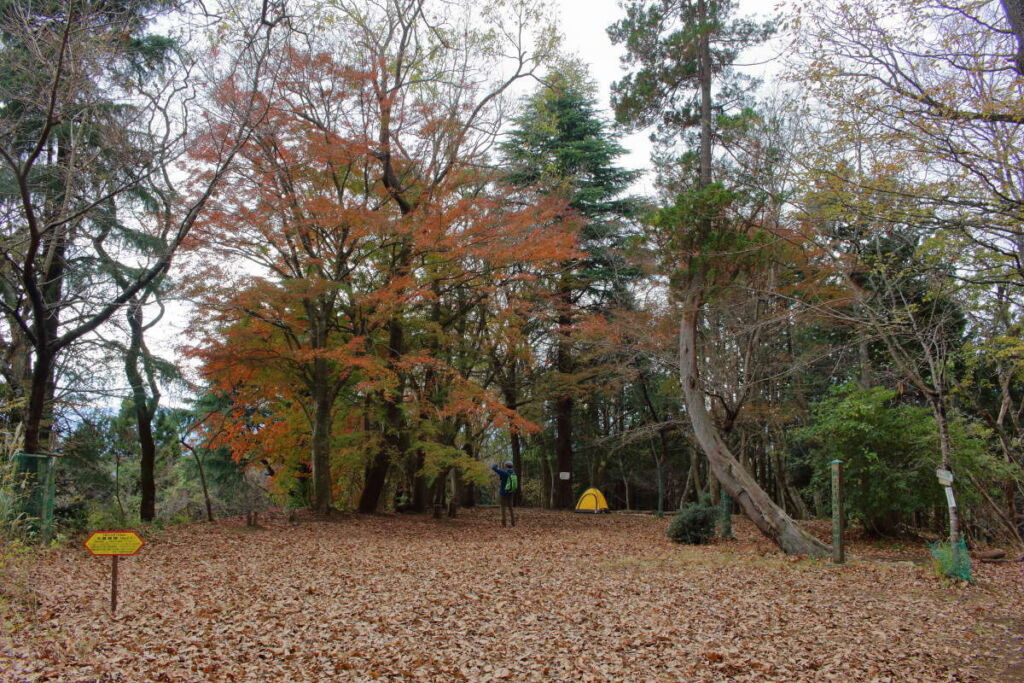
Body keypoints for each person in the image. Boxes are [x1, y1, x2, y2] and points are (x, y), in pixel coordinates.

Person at [491, 461, 516, 527]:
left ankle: (504, 523)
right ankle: (513, 523)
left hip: (503, 493)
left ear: (506, 466)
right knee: (511, 508)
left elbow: (493, 468)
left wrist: (496, 465)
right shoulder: (514, 473)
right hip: (511, 493)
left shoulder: (504, 472)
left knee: (503, 508)